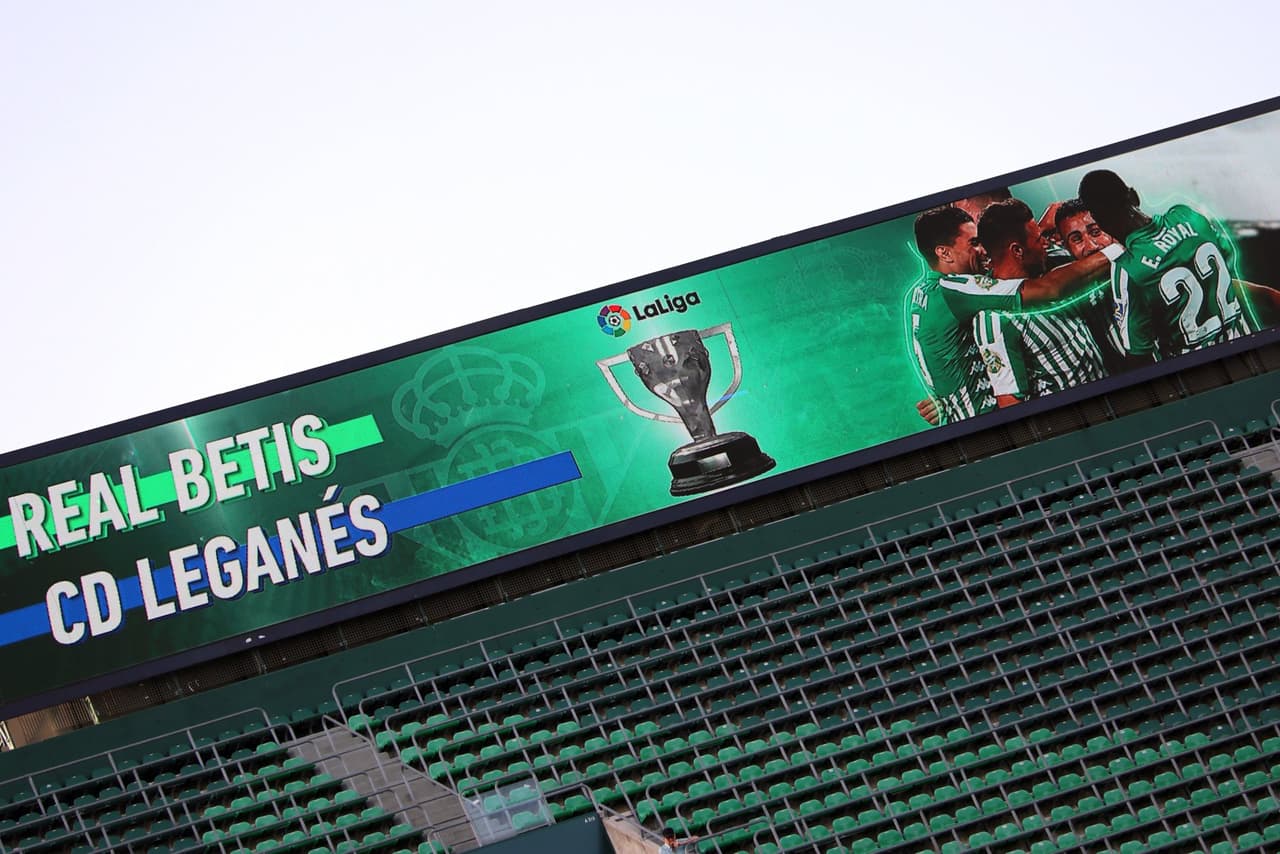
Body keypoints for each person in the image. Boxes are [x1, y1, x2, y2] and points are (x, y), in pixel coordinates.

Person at [908, 203, 1114, 425]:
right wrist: (1116, 249)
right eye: (974, 243)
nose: (984, 250)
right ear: (944, 253)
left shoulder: (920, 293)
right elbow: (1048, 289)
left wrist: (944, 400)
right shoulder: (957, 290)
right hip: (987, 428)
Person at [1078, 169, 1272, 358]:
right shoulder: (1189, 216)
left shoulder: (1127, 269)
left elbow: (1139, 354)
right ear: (1134, 196)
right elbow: (1225, 270)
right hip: (1249, 348)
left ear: (1098, 221)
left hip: (1200, 374)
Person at [971, 199, 1111, 407]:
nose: (1045, 244)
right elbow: (1010, 403)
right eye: (1038, 239)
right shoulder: (994, 319)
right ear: (1017, 251)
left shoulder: (1052, 265)